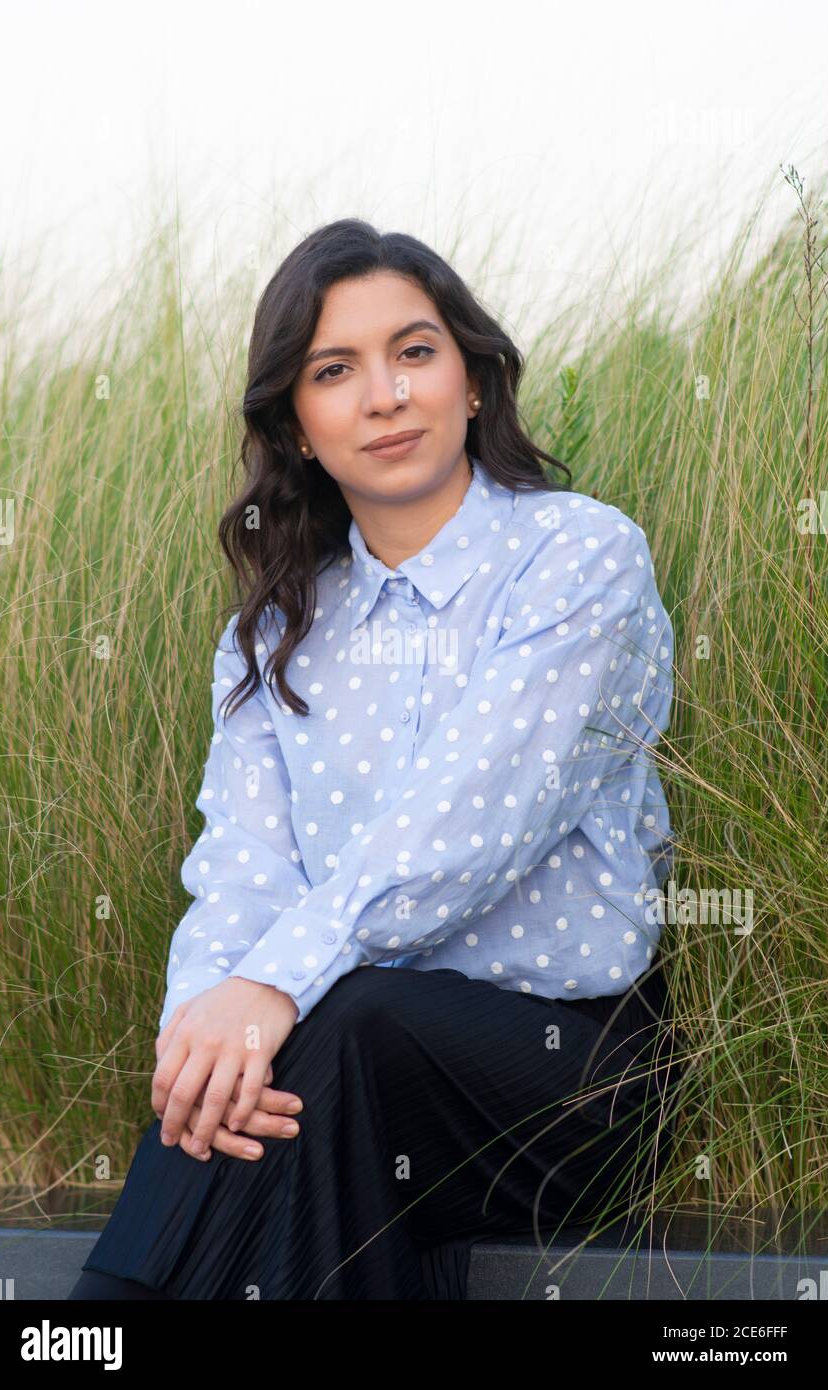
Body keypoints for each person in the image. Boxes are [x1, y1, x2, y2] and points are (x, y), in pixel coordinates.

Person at [68, 218, 683, 1301]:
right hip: (343, 1074)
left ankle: (99, 1318)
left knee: (340, 1021)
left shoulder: (577, 558)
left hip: (566, 1077)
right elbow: (242, 867)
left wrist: (271, 987)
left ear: (473, 379)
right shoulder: (275, 628)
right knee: (286, 1075)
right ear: (298, 427)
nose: (384, 395)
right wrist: (201, 1035)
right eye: (334, 370)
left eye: (413, 352)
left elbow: (473, 823)